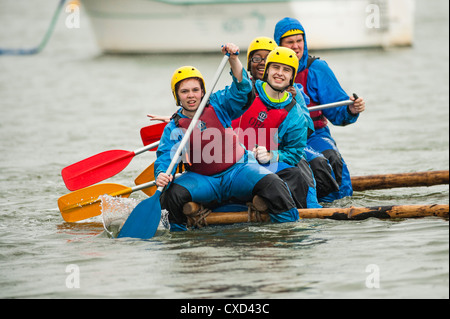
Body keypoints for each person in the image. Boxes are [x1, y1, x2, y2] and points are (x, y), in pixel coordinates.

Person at [155, 43, 300, 231]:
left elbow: (242, 91)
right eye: (184, 91)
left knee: (274, 185)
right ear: (177, 96)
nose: (191, 96)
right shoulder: (173, 126)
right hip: (204, 180)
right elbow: (166, 157)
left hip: (238, 170)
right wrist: (161, 175)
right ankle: (180, 240)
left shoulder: (218, 103)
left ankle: (290, 231)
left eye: (195, 90)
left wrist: (233, 59)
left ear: (202, 92)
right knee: (172, 195)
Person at [274, 17, 366, 202]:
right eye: (289, 42)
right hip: (281, 139)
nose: (296, 46)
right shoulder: (270, 70)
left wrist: (352, 110)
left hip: (314, 134)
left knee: (331, 158)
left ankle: (341, 203)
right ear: (279, 45)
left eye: (299, 41)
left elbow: (339, 113)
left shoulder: (317, 69)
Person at [232, 37, 321, 209]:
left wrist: (273, 154)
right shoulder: (242, 90)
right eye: (257, 58)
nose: (261, 63)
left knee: (304, 169)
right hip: (240, 156)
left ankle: (307, 206)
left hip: (277, 152)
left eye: (266, 59)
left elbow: (305, 132)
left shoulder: (293, 99)